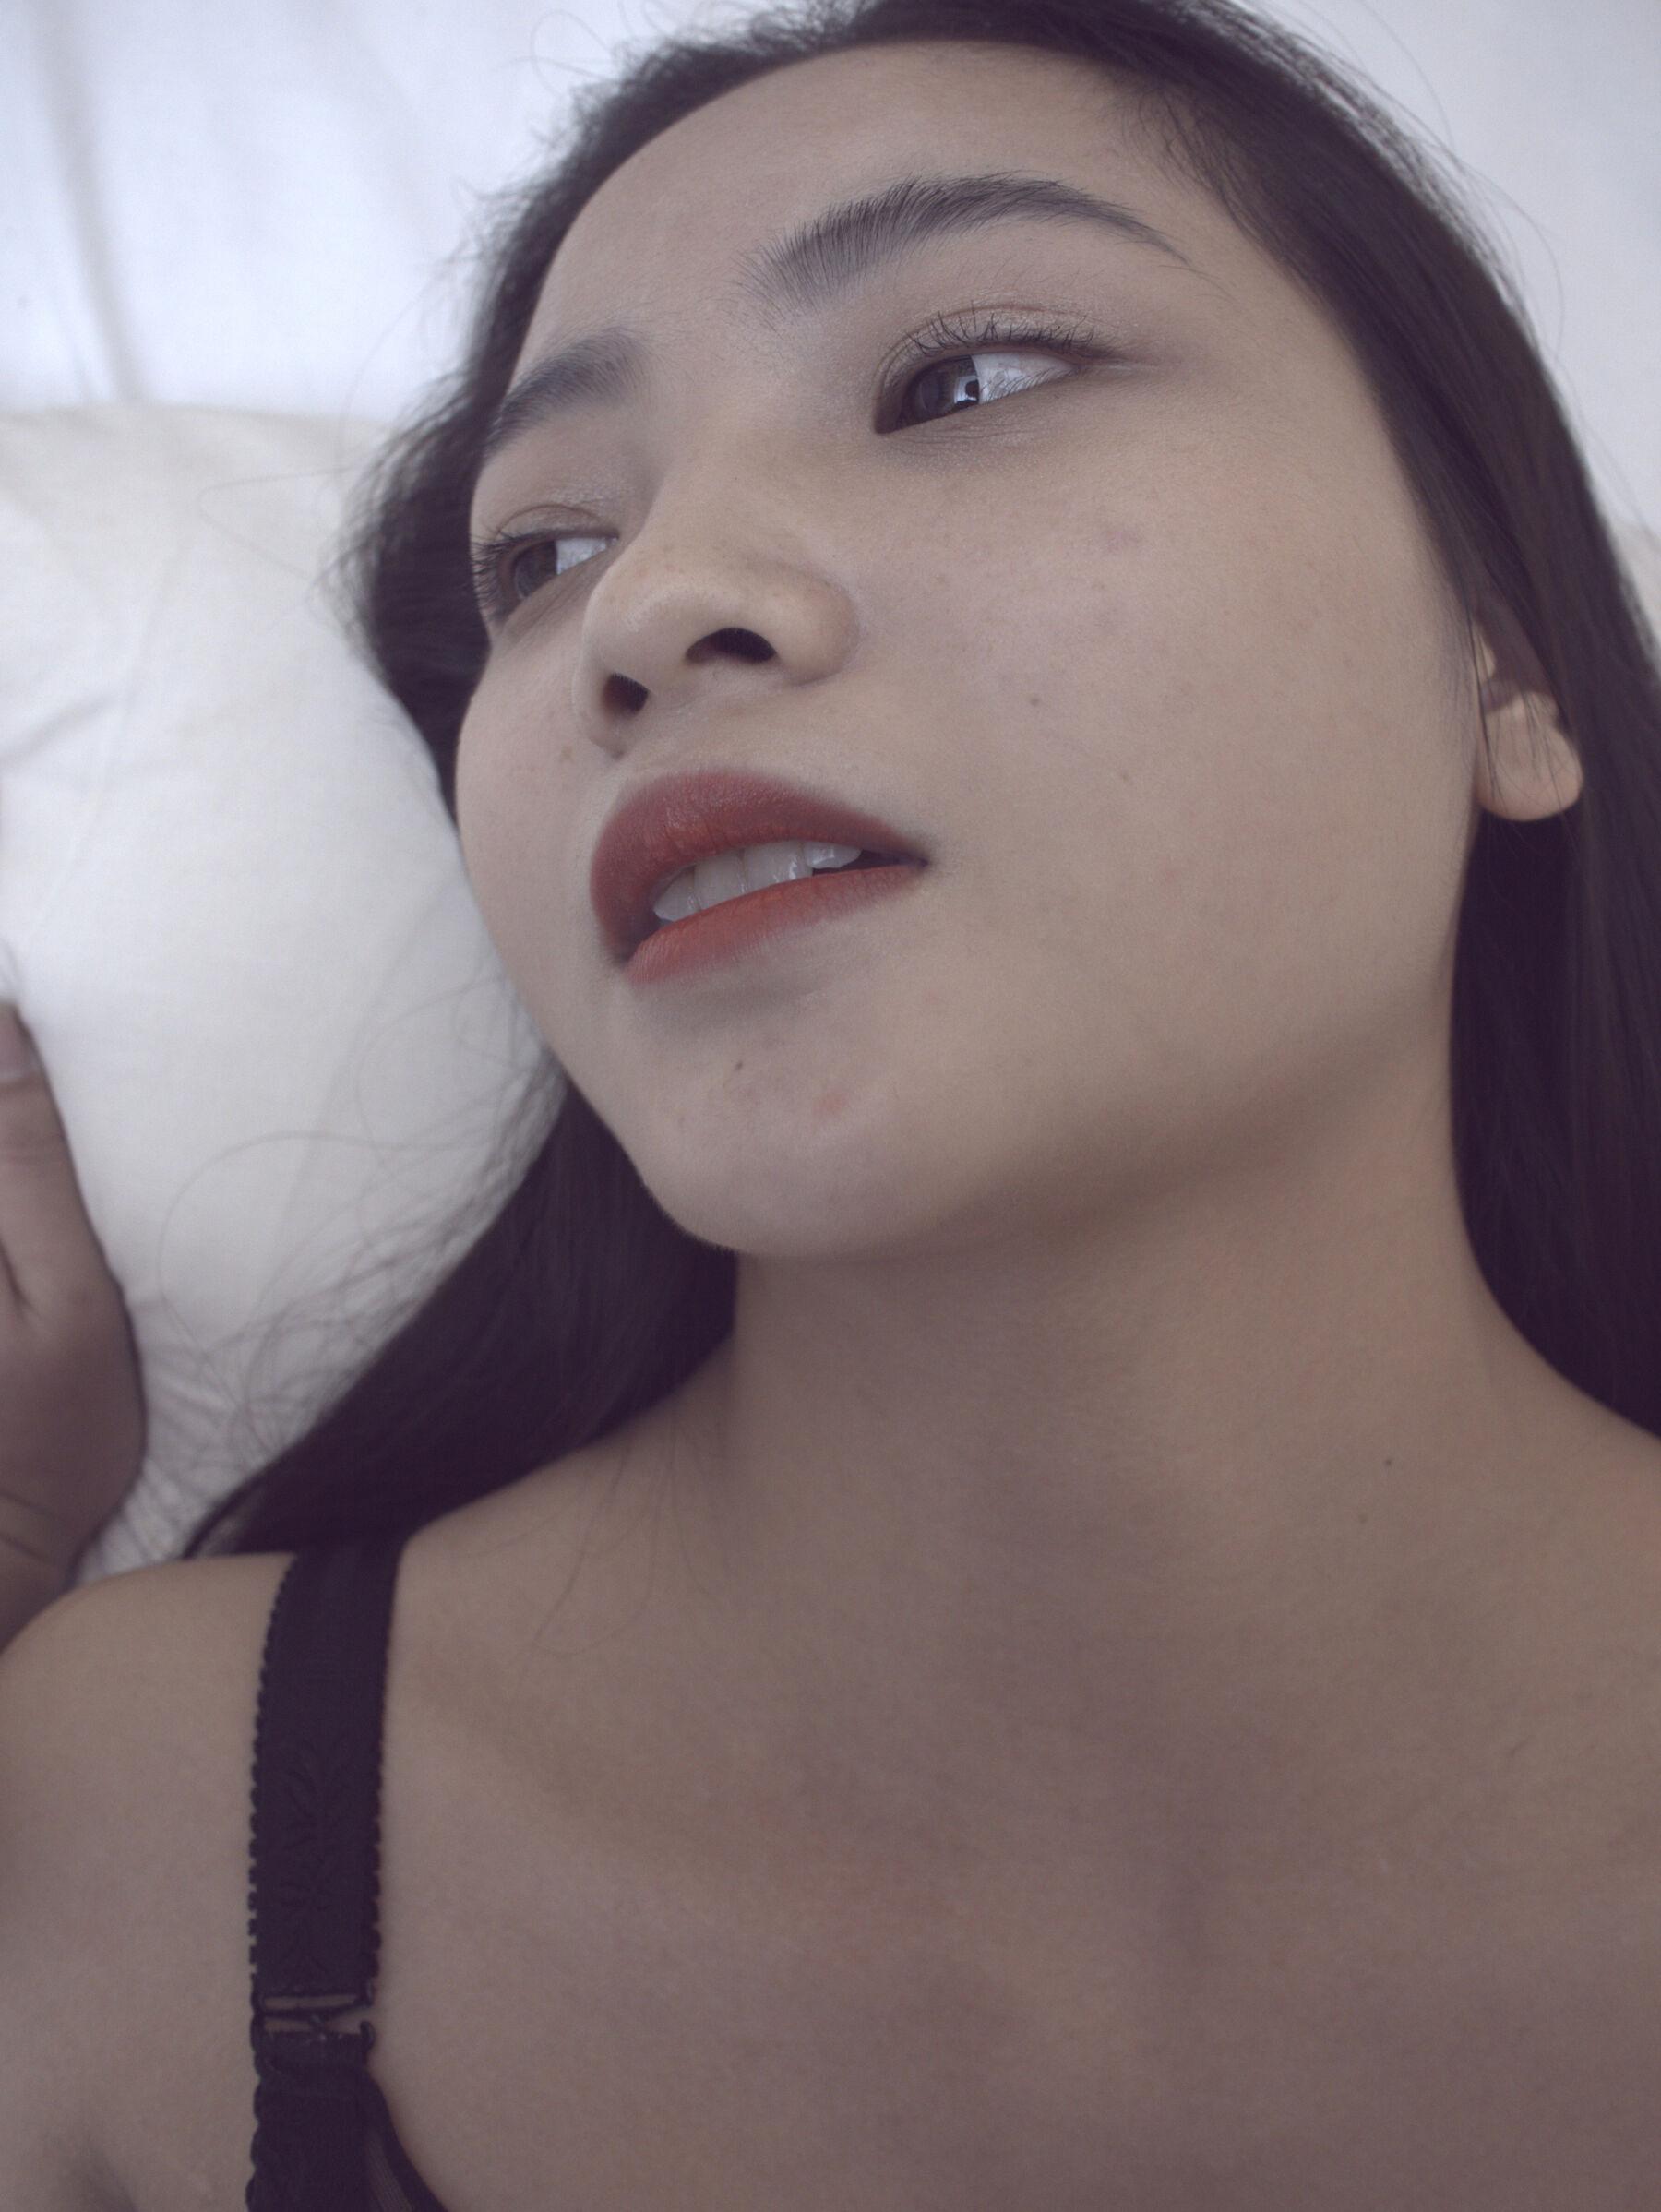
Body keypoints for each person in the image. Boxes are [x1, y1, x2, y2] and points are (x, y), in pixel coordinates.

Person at [6, 0, 1661, 2202]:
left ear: (1507, 658)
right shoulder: (135, 1817)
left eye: (965, 380)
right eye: (542, 555)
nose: (650, 606)